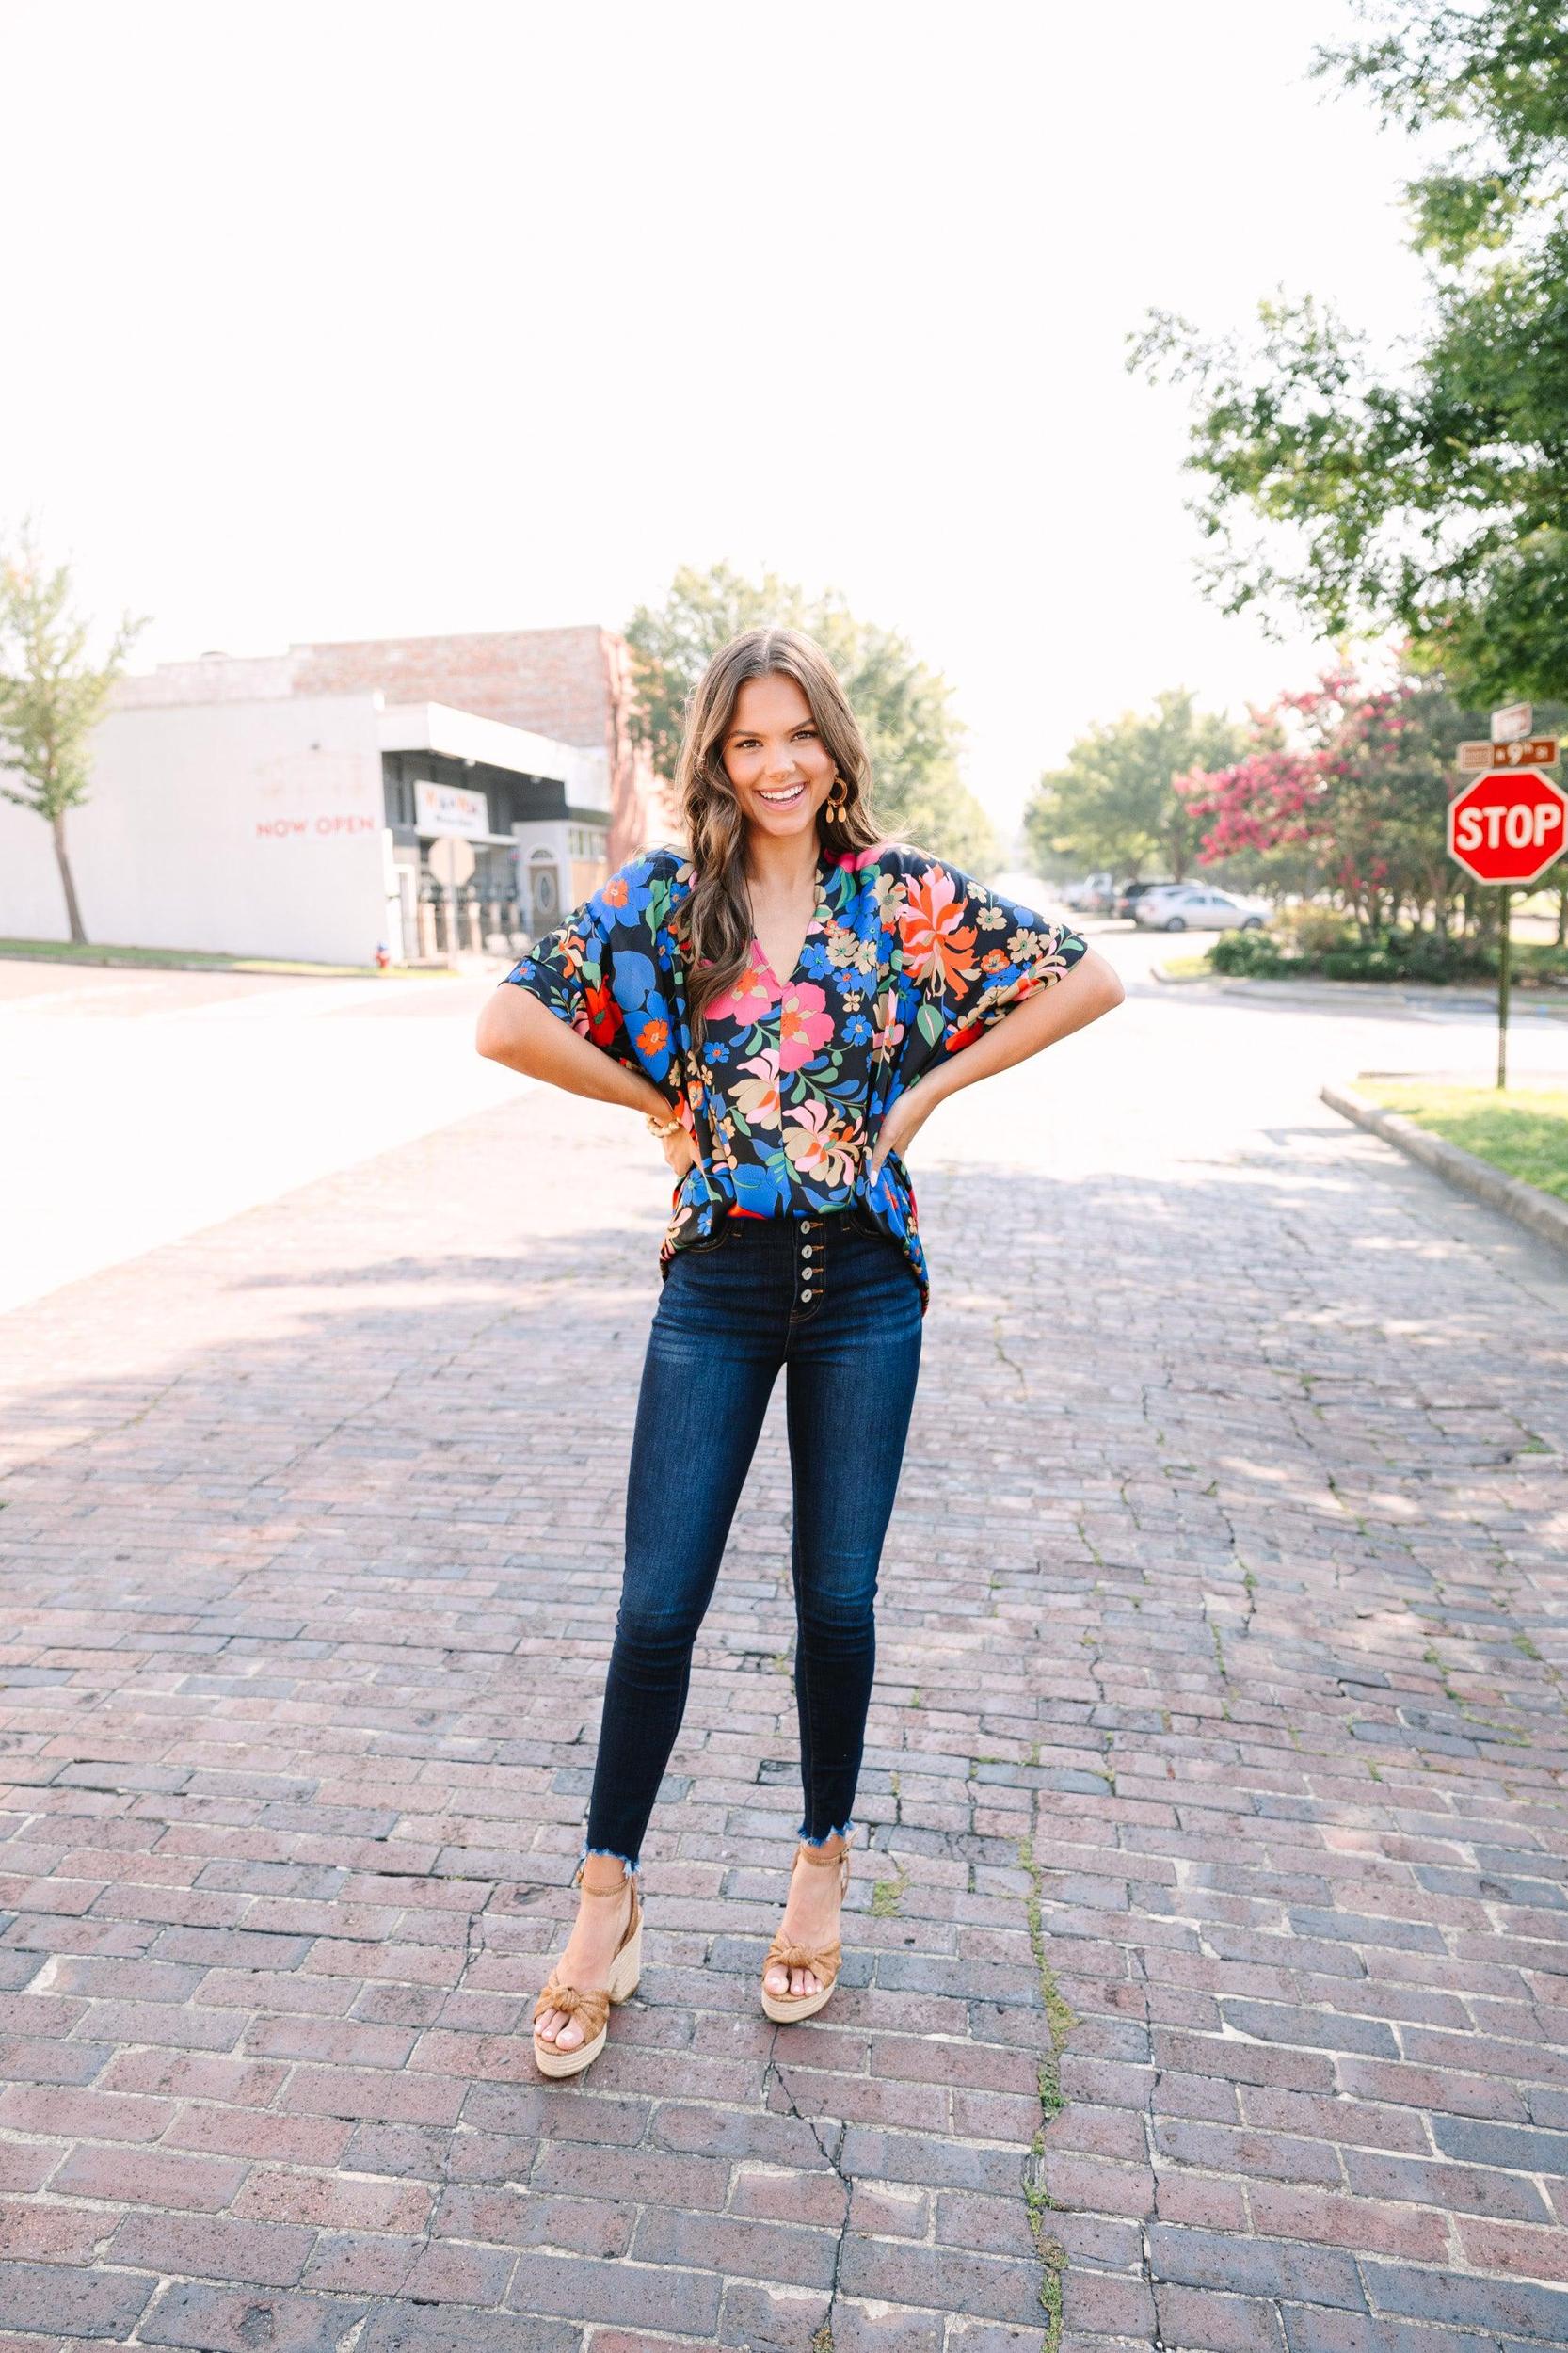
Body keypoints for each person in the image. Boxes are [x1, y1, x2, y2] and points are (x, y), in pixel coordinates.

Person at [475, 625, 1124, 2077]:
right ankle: (604, 1905)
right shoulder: (665, 901)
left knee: (834, 1601)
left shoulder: (902, 900)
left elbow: (1086, 981)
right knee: (657, 1609)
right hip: (715, 1283)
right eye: (745, 741)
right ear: (715, 755)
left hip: (865, 1291)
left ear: (833, 743)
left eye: (797, 736)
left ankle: (818, 1868)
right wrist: (655, 1103)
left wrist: (927, 1098)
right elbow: (506, 1020)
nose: (774, 765)